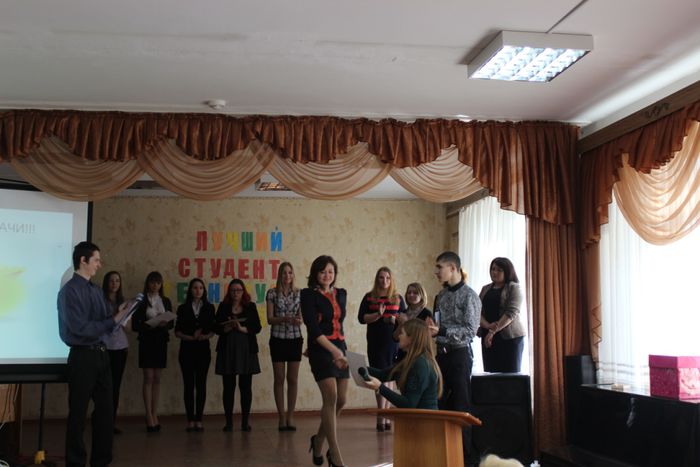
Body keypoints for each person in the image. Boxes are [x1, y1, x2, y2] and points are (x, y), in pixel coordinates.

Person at [57, 241, 131, 467]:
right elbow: (80, 328)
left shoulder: (97, 290)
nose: (99, 264)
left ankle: (101, 461)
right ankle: (76, 463)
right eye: (96, 260)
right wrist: (113, 320)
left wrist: (121, 314)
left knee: (106, 413)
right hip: (82, 357)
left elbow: (105, 323)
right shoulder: (69, 292)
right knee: (78, 414)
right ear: (83, 260)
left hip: (102, 355)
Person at [433, 251, 481, 462]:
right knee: (439, 405)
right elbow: (437, 326)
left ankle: (465, 459)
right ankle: (443, 456)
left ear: (452, 268)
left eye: (439, 267)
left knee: (461, 407)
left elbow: (471, 331)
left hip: (460, 356)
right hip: (441, 356)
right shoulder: (441, 296)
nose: (436, 272)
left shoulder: (470, 296)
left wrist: (442, 331)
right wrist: (432, 330)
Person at [301, 255, 349, 467]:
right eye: (322, 272)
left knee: (342, 400)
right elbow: (313, 328)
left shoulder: (342, 293)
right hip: (321, 349)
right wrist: (333, 351)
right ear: (315, 274)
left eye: (330, 271)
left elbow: (338, 323)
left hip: (340, 346)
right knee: (331, 396)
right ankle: (335, 454)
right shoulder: (307, 295)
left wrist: (340, 351)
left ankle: (318, 439)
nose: (327, 275)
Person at [357, 266, 406, 431]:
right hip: (375, 342)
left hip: (393, 342)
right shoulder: (369, 297)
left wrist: (395, 319)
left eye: (387, 278)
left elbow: (405, 319)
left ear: (391, 280)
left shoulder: (398, 298)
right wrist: (378, 315)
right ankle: (381, 415)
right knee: (378, 375)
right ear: (376, 279)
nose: (384, 281)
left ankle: (386, 414)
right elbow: (361, 318)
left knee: (390, 377)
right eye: (381, 277)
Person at [362, 318, 442, 410]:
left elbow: (408, 404)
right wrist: (355, 365)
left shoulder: (420, 364)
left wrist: (380, 387)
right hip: (416, 417)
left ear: (411, 339)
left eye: (402, 333)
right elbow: (383, 375)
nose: (399, 336)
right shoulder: (412, 360)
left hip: (424, 418)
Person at [215, 278, 262, 432]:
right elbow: (216, 327)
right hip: (227, 350)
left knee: (245, 387)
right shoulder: (223, 307)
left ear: (243, 292)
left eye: (239, 290)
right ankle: (228, 423)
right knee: (228, 387)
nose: (236, 293)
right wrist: (227, 328)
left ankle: (245, 422)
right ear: (229, 292)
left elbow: (257, 327)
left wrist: (242, 328)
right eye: (233, 290)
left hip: (246, 350)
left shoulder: (251, 306)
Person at [131, 271, 174, 432]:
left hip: (161, 342)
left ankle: (155, 413)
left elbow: (171, 323)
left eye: (158, 282)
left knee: (157, 378)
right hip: (147, 342)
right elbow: (135, 325)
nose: (155, 285)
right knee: (148, 377)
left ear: (161, 284)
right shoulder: (141, 301)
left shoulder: (166, 300)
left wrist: (164, 323)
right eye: (152, 282)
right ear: (147, 283)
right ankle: (148, 415)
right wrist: (150, 324)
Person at [266, 261, 303, 431]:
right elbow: (269, 319)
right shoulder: (272, 293)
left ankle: (291, 416)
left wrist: (298, 320)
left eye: (290, 272)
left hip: (295, 339)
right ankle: (281, 417)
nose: (287, 275)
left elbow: (301, 318)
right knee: (279, 379)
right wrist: (283, 319)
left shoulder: (299, 293)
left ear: (293, 275)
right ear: (279, 275)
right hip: (278, 339)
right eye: (284, 272)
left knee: (293, 379)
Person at [174, 278, 216, 432]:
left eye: (201, 288)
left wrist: (205, 336)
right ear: (190, 290)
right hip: (187, 350)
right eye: (195, 288)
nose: (198, 290)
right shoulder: (182, 308)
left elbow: (213, 329)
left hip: (203, 350)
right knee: (188, 385)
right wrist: (190, 337)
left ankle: (199, 419)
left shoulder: (209, 307)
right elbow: (177, 331)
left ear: (204, 291)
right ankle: (190, 419)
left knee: (201, 384)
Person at [479, 257, 526, 373]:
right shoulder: (485, 289)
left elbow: (511, 313)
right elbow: (477, 311)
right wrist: (487, 326)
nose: (494, 272)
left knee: (510, 376)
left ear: (507, 271)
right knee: (491, 374)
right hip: (488, 337)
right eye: (493, 269)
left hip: (510, 338)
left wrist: (492, 331)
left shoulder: (514, 287)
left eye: (499, 270)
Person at [101, 271, 129, 435]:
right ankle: (102, 421)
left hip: (120, 348)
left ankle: (111, 423)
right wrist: (114, 316)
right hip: (104, 347)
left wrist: (124, 316)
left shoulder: (124, 303)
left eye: (117, 280)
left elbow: (129, 327)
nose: (114, 283)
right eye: (111, 280)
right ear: (106, 283)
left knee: (115, 386)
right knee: (104, 386)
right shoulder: (100, 301)